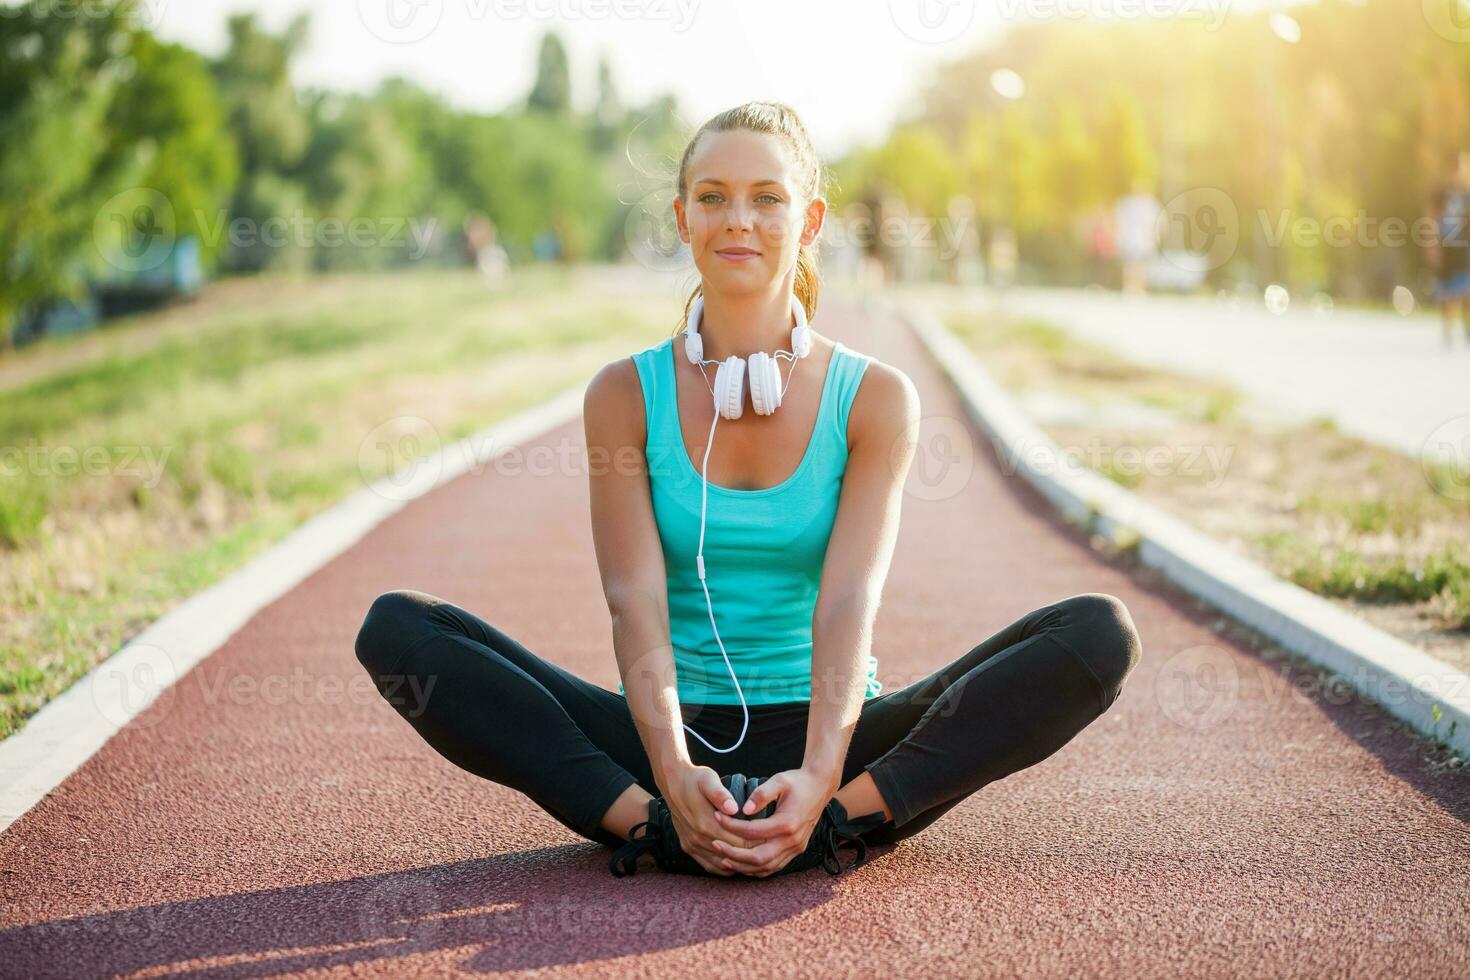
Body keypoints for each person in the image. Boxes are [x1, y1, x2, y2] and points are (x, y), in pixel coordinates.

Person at [354, 101, 1142, 880]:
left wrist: (820, 776)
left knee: (1096, 635)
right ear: (682, 218)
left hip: (840, 734)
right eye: (713, 198)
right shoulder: (624, 394)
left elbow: (848, 604)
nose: (739, 220)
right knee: (398, 632)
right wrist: (668, 774)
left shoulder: (874, 398)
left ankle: (827, 824)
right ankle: (661, 826)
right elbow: (634, 598)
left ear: (809, 222)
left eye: (768, 198)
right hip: (669, 733)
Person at [1428, 150, 1470, 348]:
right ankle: (1447, 331)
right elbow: (1433, 220)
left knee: (1466, 292)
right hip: (1447, 247)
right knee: (1447, 293)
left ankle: (1467, 330)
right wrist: (1433, 246)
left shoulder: (1467, 194)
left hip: (1463, 247)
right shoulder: (1441, 194)